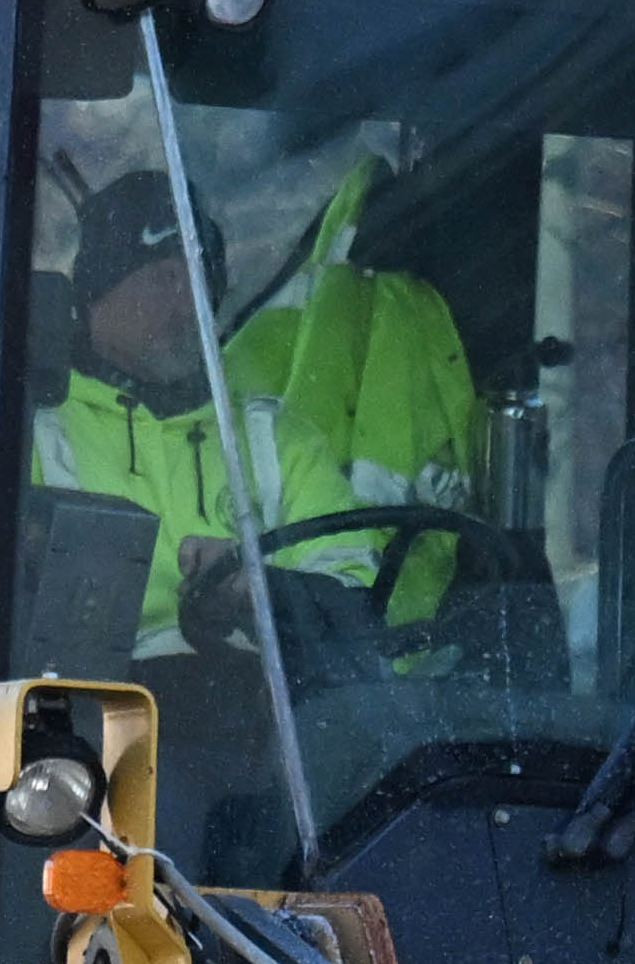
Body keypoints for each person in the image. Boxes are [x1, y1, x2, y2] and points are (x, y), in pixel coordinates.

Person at [35, 161, 484, 663]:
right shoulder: (33, 435)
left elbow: (353, 598)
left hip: (269, 726)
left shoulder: (276, 438)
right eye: (163, 279)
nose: (189, 302)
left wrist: (260, 591)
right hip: (87, 726)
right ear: (97, 296)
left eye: (200, 277)